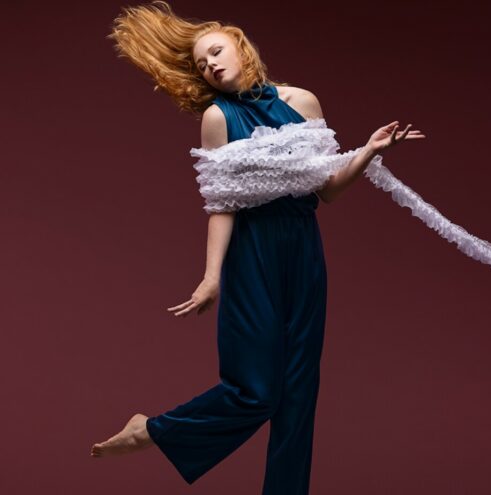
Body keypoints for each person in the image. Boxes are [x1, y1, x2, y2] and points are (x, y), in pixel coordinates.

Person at [91, 1, 417, 492]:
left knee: (298, 395)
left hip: (304, 253)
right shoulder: (217, 118)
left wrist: (369, 152)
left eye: (216, 52)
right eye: (202, 64)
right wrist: (211, 277)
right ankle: (153, 431)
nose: (211, 65)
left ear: (241, 46)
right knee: (257, 392)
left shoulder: (303, 101)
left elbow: (326, 189)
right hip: (252, 255)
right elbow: (222, 206)